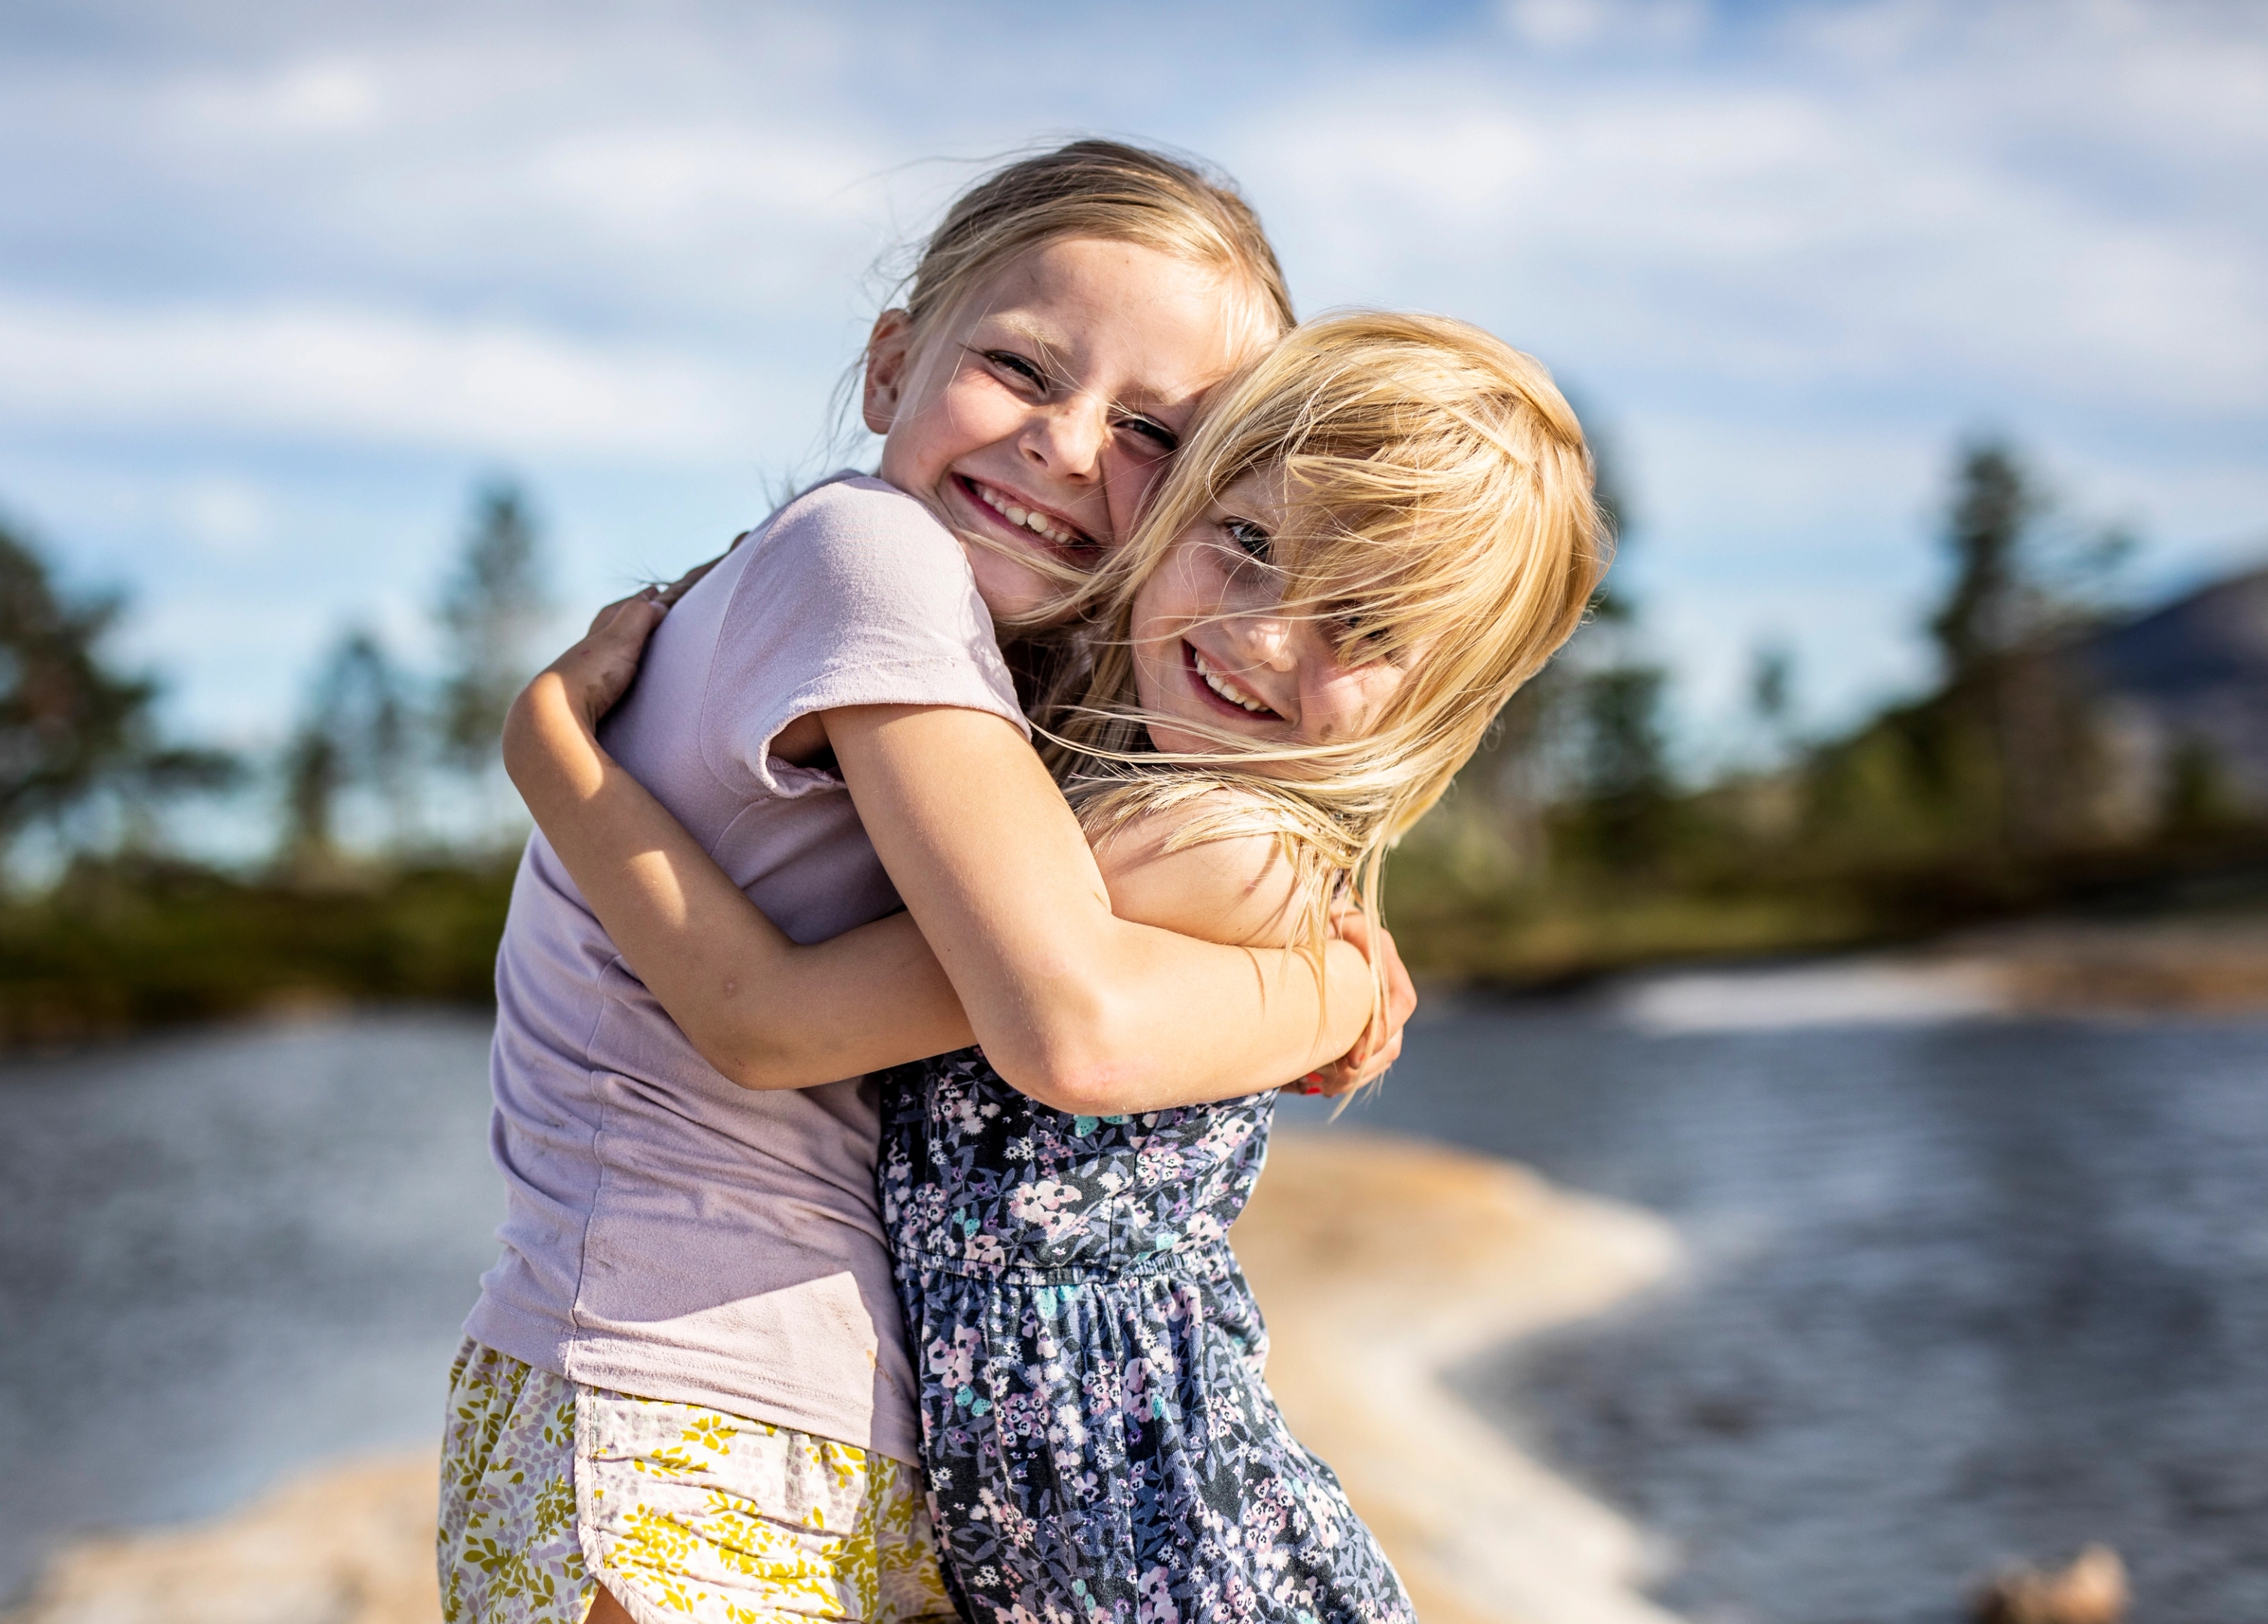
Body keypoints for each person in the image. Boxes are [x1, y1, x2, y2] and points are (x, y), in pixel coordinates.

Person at [511, 310, 1610, 1621]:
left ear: (1443, 699)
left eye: (1360, 627)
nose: (1266, 637)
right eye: (1249, 544)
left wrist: (553, 752)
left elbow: (773, 1018)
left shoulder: (1194, 848)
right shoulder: (1128, 798)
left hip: (1163, 1538)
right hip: (1062, 1517)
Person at [439, 141, 1407, 1624]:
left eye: (1154, 431)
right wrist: (1322, 983)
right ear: (892, 365)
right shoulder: (875, 557)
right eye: (1023, 369)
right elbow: (1046, 1012)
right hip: (683, 1403)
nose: (1072, 447)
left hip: (777, 1412)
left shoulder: (958, 643)